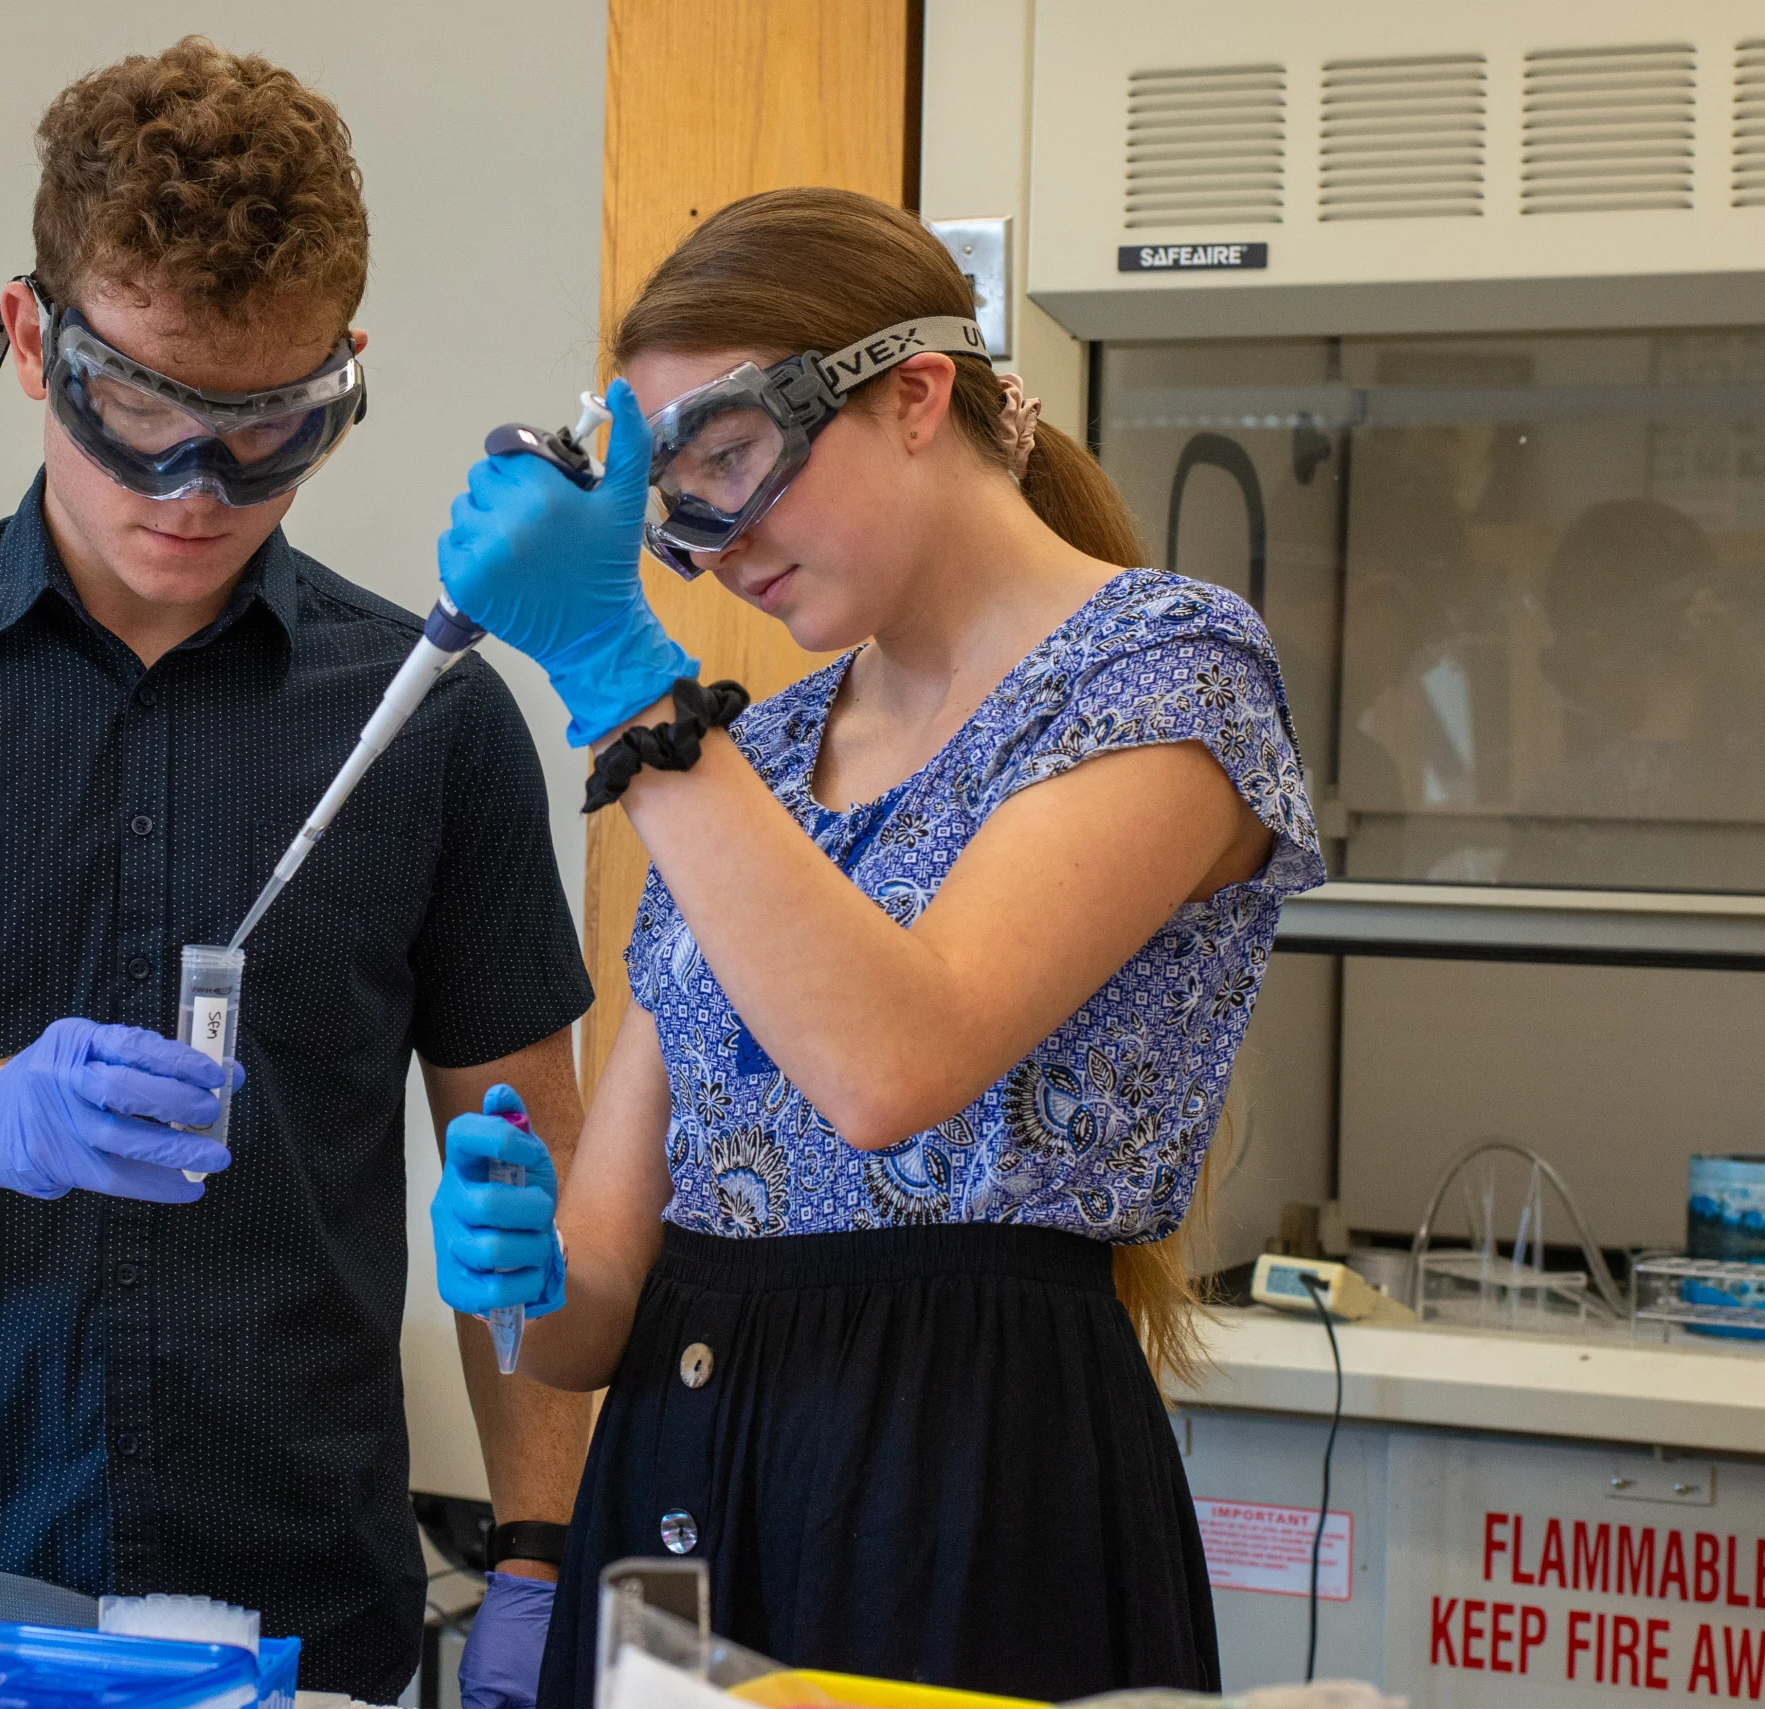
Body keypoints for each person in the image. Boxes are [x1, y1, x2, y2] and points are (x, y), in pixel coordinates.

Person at [0, 40, 593, 1703]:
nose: (193, 484)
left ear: (347, 373)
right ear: (28, 340)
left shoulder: (431, 725)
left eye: (269, 426)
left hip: (299, 1617)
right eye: (137, 403)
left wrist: (538, 1556)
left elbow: (539, 1204)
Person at [424, 187, 1326, 1703]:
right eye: (671, 505)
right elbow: (597, 1315)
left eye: (730, 462)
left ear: (915, 395)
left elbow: (889, 1063)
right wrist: (518, 1273)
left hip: (959, 1497)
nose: (708, 548)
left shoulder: (1167, 677)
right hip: (672, 1497)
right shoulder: (752, 758)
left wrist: (620, 676)